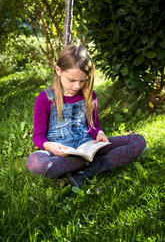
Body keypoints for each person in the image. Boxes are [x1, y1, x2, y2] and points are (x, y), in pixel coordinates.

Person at [26, 44, 146, 188]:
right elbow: (38, 136)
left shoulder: (89, 95)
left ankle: (90, 170)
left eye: (82, 80)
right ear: (58, 70)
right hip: (61, 153)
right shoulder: (45, 98)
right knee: (34, 161)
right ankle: (88, 165)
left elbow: (93, 126)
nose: (77, 86)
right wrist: (48, 145)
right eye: (72, 80)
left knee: (138, 141)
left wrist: (99, 133)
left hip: (87, 146)